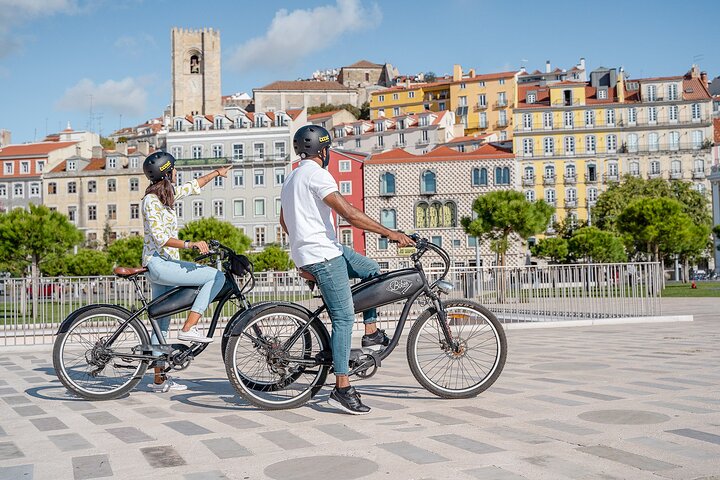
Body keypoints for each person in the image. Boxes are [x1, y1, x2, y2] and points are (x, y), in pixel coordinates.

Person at [280, 125, 414, 415]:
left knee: (372, 270)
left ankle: (372, 332)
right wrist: (390, 233)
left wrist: (303, 247)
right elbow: (349, 213)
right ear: (323, 150)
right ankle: (341, 388)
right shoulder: (317, 174)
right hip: (324, 256)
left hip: (324, 250)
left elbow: (283, 223)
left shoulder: (291, 178)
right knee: (342, 318)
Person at [141, 151, 231, 392]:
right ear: (166, 172)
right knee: (215, 276)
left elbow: (192, 187)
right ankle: (190, 328)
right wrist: (190, 244)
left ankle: (159, 380)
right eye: (174, 169)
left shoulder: (166, 194)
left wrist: (216, 174)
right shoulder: (150, 201)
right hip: (160, 263)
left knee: (160, 323)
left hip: (165, 264)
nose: (176, 172)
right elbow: (160, 238)